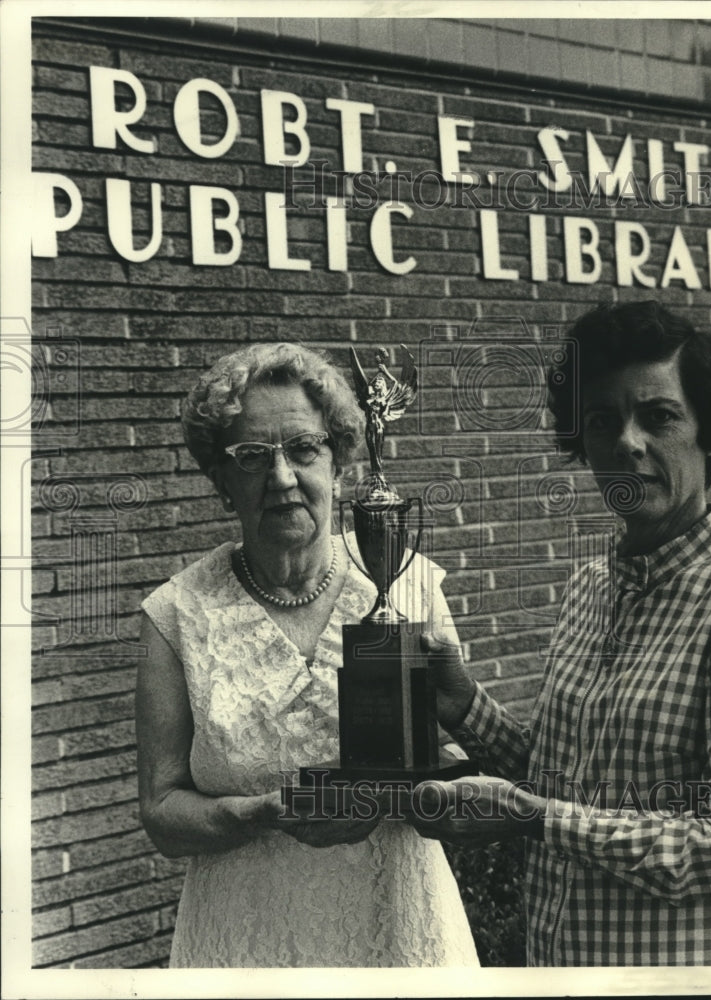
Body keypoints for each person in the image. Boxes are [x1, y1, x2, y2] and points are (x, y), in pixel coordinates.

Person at [409, 300, 711, 966]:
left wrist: (532, 817)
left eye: (659, 417)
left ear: (710, 435)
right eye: (603, 421)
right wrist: (463, 706)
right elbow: (565, 783)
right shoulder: (588, 587)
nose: (627, 442)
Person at [136, 342, 479, 968]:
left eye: (303, 449)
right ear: (221, 479)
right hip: (244, 937)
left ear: (340, 463)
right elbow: (161, 812)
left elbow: (457, 751)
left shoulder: (408, 581)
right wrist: (256, 813)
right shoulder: (176, 614)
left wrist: (423, 790)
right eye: (251, 456)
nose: (283, 478)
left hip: (397, 921)